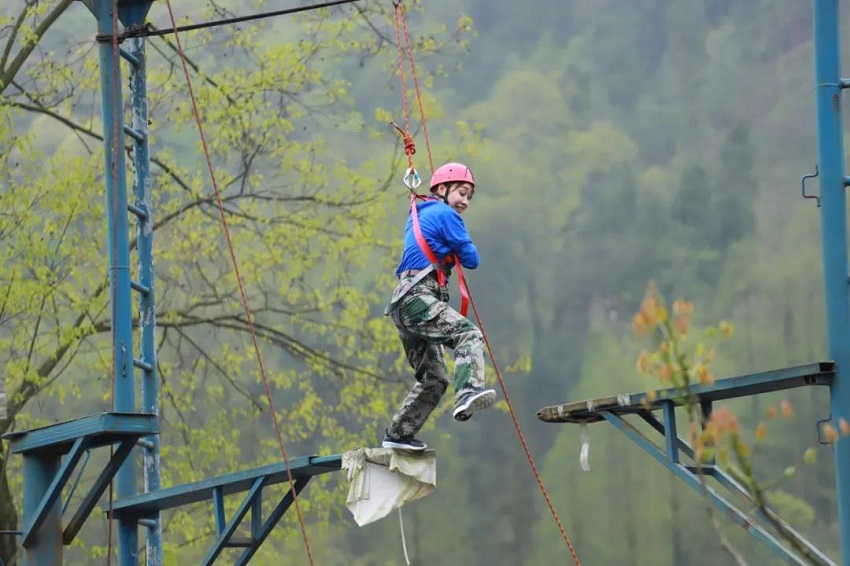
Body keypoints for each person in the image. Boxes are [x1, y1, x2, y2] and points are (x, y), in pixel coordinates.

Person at [381, 162, 497, 451]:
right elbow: (472, 259)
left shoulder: (419, 214)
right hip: (419, 296)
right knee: (468, 335)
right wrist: (457, 246)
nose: (465, 201)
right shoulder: (446, 214)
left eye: (469, 196)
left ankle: (398, 435)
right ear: (442, 190)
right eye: (461, 192)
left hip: (403, 304)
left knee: (435, 378)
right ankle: (469, 391)